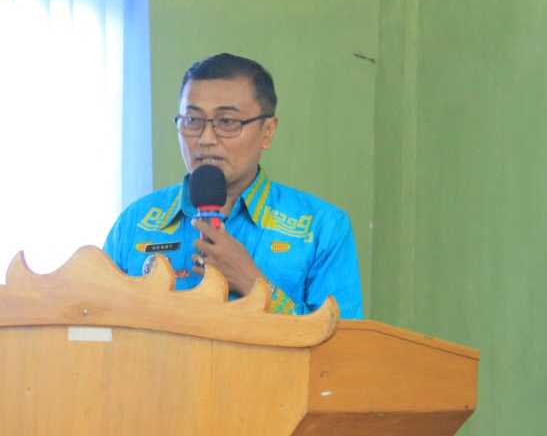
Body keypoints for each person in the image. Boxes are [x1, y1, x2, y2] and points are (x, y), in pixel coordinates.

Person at [103, 53, 363, 317]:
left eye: (227, 122)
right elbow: (97, 325)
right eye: (192, 120)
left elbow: (342, 341)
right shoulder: (136, 223)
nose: (206, 139)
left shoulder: (321, 228)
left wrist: (254, 285)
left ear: (267, 131)